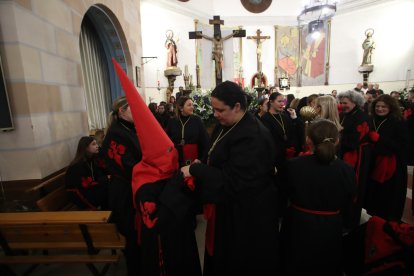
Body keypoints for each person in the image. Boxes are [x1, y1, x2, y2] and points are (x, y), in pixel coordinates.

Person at [112, 60, 202, 276]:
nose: (172, 158)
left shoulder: (165, 171)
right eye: (169, 153)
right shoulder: (145, 183)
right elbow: (154, 221)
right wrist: (176, 184)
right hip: (163, 249)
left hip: (180, 241)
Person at [181, 81, 280, 276]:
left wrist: (196, 171)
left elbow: (234, 181)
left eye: (220, 110)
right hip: (229, 209)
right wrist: (203, 163)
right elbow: (215, 152)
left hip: (246, 216)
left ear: (236, 106)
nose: (215, 114)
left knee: (237, 262)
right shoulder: (227, 123)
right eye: (214, 109)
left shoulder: (253, 135)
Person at [280, 119, 356, 275]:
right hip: (330, 227)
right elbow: (350, 200)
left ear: (308, 140)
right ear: (337, 141)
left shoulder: (294, 165)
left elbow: (281, 195)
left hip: (298, 225)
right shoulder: (346, 169)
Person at [101, 96, 142, 276]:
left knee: (137, 238)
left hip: (131, 186)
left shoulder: (128, 128)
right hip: (124, 192)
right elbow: (128, 166)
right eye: (133, 108)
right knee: (131, 239)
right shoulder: (117, 133)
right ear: (122, 111)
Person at [365, 95, 409, 221]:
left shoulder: (398, 121)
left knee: (388, 196)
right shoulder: (371, 119)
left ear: (391, 107)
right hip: (373, 162)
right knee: (373, 194)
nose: (380, 109)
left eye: (384, 106)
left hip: (391, 165)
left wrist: (380, 140)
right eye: (377, 106)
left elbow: (403, 146)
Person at [337, 90, 371, 230]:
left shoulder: (361, 117)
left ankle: (350, 222)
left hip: (357, 156)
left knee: (355, 187)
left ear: (355, 102)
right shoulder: (345, 114)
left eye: (345, 103)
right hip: (346, 153)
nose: (342, 105)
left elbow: (353, 141)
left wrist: (338, 139)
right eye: (341, 102)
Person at [65, 136, 109, 210]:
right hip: (79, 194)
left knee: (110, 187)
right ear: (86, 148)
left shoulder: (91, 160)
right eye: (94, 144)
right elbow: (86, 184)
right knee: (107, 190)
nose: (97, 146)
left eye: (97, 144)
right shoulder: (78, 165)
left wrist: (106, 178)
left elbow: (97, 176)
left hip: (88, 190)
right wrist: (105, 179)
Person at [166, 96, 209, 166]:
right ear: (181, 108)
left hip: (194, 158)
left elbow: (205, 141)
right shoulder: (172, 121)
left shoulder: (197, 120)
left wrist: (202, 159)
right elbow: (167, 140)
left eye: (192, 105)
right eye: (189, 105)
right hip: (176, 159)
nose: (192, 107)